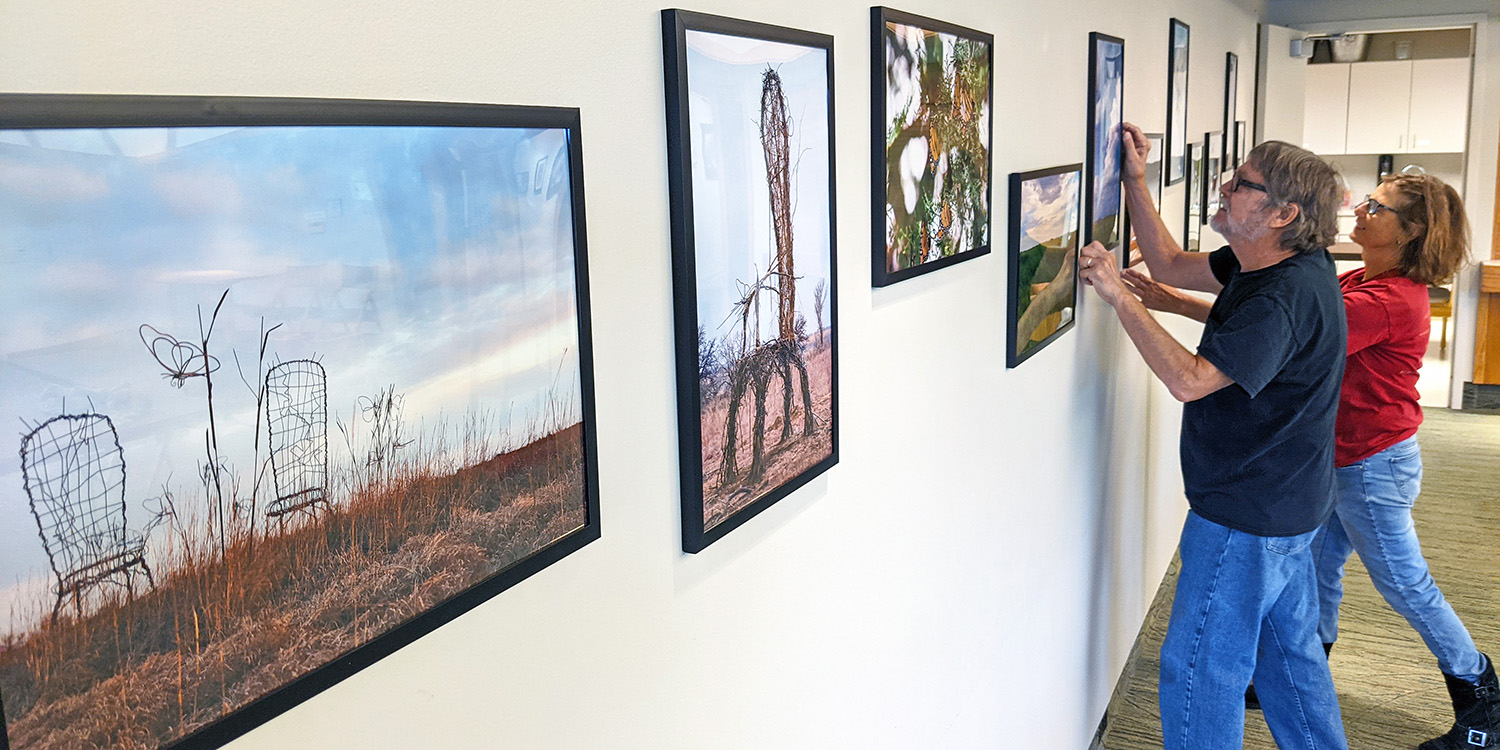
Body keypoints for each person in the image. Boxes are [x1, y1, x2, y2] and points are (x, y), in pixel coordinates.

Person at [1123, 173, 1497, 750]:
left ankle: (1479, 690)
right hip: (1324, 466)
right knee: (1304, 600)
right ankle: (1292, 681)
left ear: (1410, 231)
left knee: (1403, 583)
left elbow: (1268, 339)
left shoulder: (1387, 300)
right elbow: (1260, 329)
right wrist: (1167, 296)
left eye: (1379, 206)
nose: (1364, 209)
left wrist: (1146, 299)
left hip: (1370, 464)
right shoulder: (1345, 275)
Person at [1078, 123, 1349, 749]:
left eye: (1243, 184)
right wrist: (1136, 182)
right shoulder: (1281, 262)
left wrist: (1122, 298)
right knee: (1290, 667)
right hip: (1291, 506)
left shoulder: (1282, 294)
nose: (1225, 187)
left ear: (1282, 212)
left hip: (1247, 519)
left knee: (1200, 673)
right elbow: (1171, 262)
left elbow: (1191, 380)